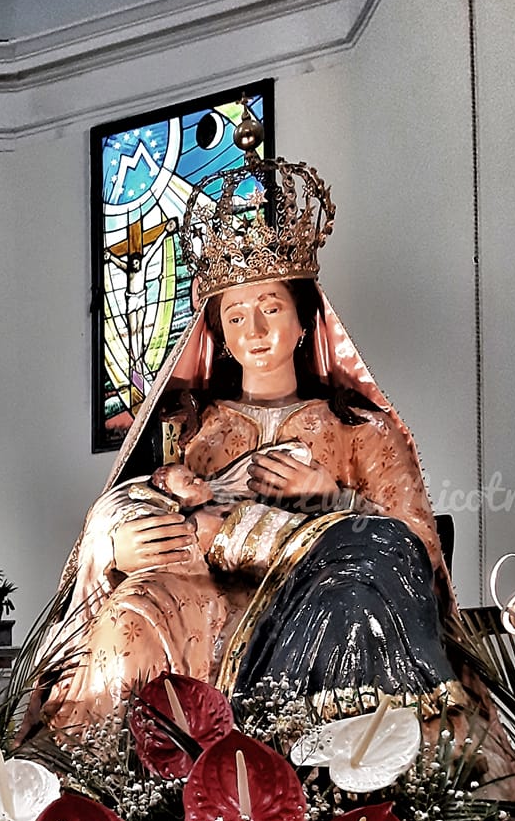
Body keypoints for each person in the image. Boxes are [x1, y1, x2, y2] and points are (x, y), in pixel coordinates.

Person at [47, 110, 464, 731]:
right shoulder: (184, 429)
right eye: (236, 316)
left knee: (359, 590)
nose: (256, 332)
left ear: (305, 322)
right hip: (200, 601)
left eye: (271, 308)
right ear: (216, 330)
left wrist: (331, 496)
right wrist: (113, 541)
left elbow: (417, 544)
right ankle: (99, 790)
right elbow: (127, 502)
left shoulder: (363, 430)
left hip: (317, 599)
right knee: (124, 623)